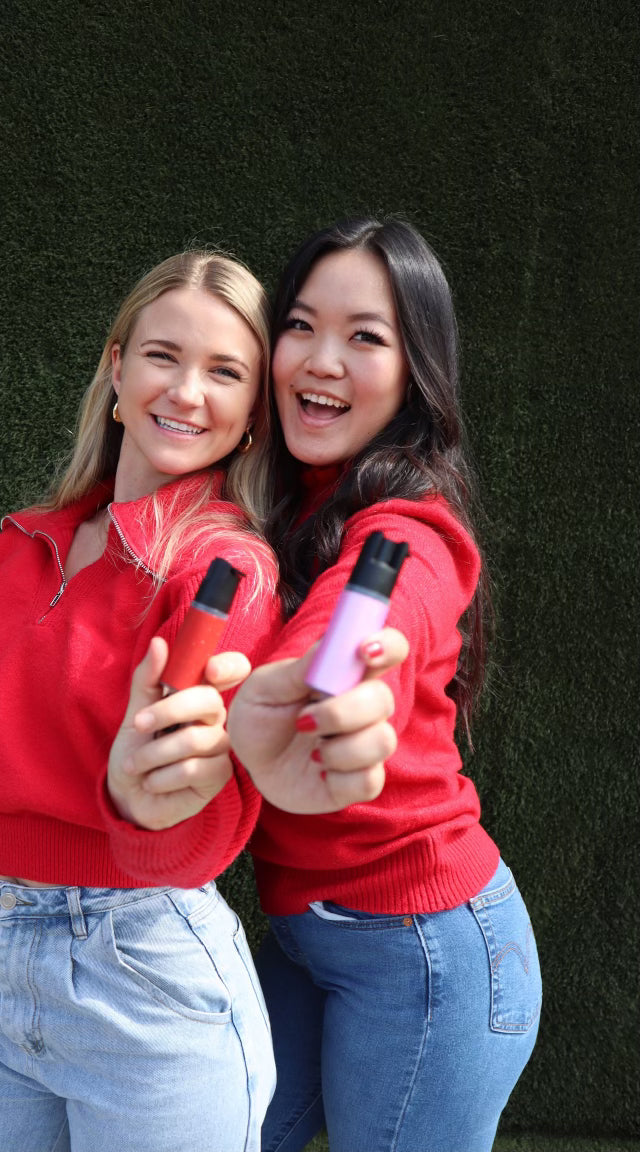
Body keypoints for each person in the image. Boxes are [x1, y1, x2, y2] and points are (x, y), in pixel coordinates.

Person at [0, 250, 288, 1152]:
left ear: (253, 414)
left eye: (225, 371)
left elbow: (202, 827)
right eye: (162, 355)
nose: (186, 391)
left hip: (145, 974)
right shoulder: (14, 554)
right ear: (116, 367)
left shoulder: (227, 573)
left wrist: (151, 785)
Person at [227, 217, 543, 1152]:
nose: (322, 360)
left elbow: (370, 614)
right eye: (300, 325)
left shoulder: (413, 528)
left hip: (428, 953)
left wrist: (315, 688)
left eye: (366, 337)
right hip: (306, 937)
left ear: (416, 373)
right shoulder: (276, 503)